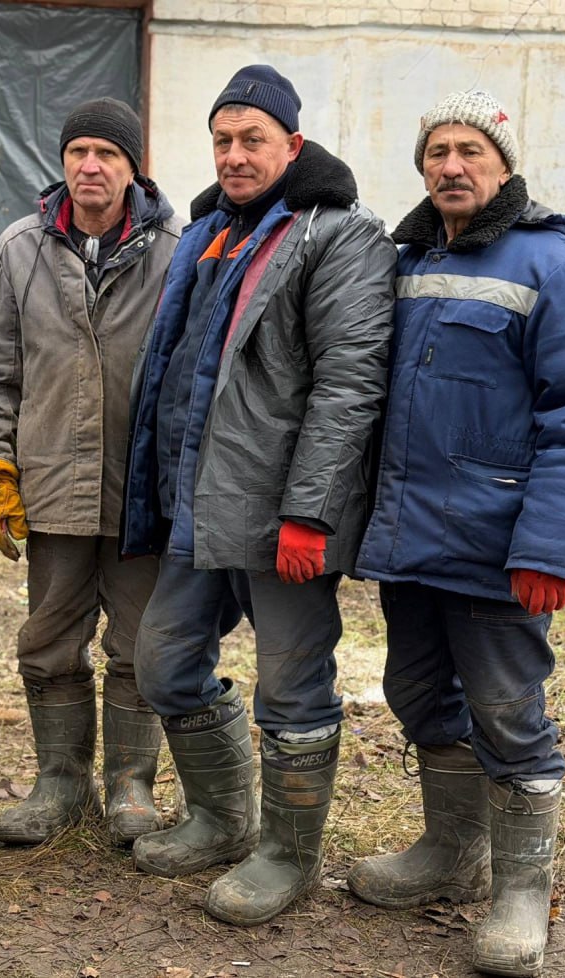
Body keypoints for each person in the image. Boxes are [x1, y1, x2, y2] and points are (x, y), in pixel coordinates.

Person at [348, 90, 565, 978]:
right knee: (419, 693)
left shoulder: (555, 265)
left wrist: (549, 546)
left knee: (508, 711)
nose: (451, 166)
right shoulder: (402, 259)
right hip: (407, 535)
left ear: (503, 164)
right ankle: (451, 852)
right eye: (437, 151)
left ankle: (520, 889)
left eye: (470, 150)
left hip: (499, 545)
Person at [120, 65, 396, 925]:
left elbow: (350, 383)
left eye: (253, 140)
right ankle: (221, 816)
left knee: (293, 683)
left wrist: (311, 512)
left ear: (293, 145)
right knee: (162, 661)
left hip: (282, 515)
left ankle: (288, 854)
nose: (234, 155)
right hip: (199, 503)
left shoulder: (339, 236)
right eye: (223, 140)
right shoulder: (212, 232)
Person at [0, 99, 182, 847]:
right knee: (49, 639)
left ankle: (130, 785)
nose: (91, 167)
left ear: (132, 166)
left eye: (108, 154)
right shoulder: (16, 252)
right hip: (52, 483)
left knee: (139, 643)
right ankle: (59, 781)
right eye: (79, 152)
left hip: (140, 491)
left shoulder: (176, 251)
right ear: (62, 163)